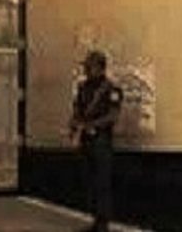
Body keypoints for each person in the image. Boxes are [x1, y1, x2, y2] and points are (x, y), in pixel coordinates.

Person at [69, 50, 123, 232]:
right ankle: (95, 218)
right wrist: (74, 125)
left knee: (102, 182)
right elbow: (77, 109)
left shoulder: (111, 89)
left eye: (89, 67)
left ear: (99, 68)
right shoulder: (83, 87)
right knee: (89, 180)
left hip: (101, 140)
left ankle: (103, 222)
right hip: (86, 140)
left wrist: (91, 125)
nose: (85, 70)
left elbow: (113, 116)